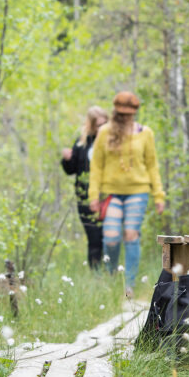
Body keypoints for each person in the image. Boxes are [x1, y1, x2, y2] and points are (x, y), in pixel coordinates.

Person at [87, 91, 165, 297]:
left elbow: (152, 165)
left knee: (131, 234)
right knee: (111, 238)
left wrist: (159, 195)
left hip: (138, 191)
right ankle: (113, 278)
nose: (126, 117)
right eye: (122, 113)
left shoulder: (145, 133)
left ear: (135, 113)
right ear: (116, 112)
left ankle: (128, 285)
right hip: (111, 192)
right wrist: (93, 195)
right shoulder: (104, 132)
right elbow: (96, 166)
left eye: (130, 113)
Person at [61, 106, 109, 270]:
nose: (102, 128)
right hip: (85, 197)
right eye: (98, 125)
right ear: (91, 125)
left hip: (108, 196)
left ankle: (111, 271)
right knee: (94, 237)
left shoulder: (113, 141)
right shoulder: (82, 143)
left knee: (109, 236)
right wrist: (67, 159)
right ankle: (97, 274)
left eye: (105, 124)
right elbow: (71, 170)